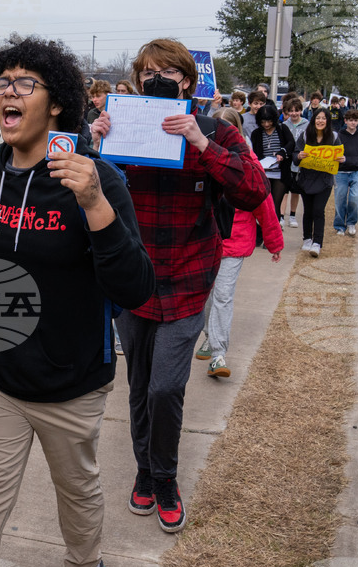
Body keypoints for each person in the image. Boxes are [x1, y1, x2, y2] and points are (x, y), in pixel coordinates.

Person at [0, 35, 153, 567]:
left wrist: (94, 203)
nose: (6, 93)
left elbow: (135, 287)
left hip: (70, 379)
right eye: (2, 82)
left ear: (57, 104)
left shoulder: (97, 179)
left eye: (24, 83)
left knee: (77, 491)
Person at [90, 38, 267, 535]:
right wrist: (95, 144)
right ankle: (145, 471)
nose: (157, 79)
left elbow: (253, 190)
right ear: (138, 79)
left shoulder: (214, 130)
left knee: (167, 386)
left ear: (187, 81)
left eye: (169, 71)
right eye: (148, 72)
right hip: (133, 277)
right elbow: (82, 193)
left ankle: (165, 478)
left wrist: (202, 143)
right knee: (140, 385)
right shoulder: (119, 128)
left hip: (189, 276)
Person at [198, 109, 283, 378]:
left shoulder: (249, 164)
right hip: (205, 240)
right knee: (206, 297)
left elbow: (264, 203)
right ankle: (210, 336)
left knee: (223, 296)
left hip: (235, 243)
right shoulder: (198, 155)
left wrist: (273, 241)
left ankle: (218, 354)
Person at [293, 107, 345, 257]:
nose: (320, 121)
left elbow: (340, 158)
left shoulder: (334, 137)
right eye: (318, 118)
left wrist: (342, 160)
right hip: (306, 179)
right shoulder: (304, 135)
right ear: (313, 119)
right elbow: (295, 155)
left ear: (328, 121)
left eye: (323, 118)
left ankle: (317, 243)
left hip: (324, 180)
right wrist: (299, 156)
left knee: (318, 210)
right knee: (308, 211)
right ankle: (307, 238)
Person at [250, 105, 294, 229]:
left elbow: (291, 143)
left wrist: (282, 153)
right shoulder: (256, 133)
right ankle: (262, 232)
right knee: (263, 204)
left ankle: (273, 233)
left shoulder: (282, 128)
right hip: (264, 173)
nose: (266, 124)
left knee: (275, 204)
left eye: (269, 121)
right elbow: (255, 153)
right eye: (263, 121)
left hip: (280, 172)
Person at [334, 108, 358, 237]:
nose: (353, 123)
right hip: (341, 172)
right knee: (340, 199)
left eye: (355, 121)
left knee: (356, 197)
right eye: (350, 120)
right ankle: (339, 226)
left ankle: (351, 222)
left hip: (356, 171)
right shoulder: (340, 135)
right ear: (345, 121)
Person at [282, 96, 309, 227]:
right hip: (287, 162)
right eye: (291, 111)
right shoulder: (284, 125)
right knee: (284, 190)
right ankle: (281, 215)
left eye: (296, 110)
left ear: (300, 111)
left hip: (300, 162)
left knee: (295, 191)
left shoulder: (307, 124)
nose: (293, 113)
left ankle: (292, 215)